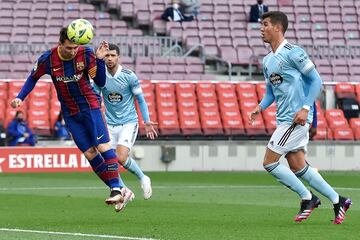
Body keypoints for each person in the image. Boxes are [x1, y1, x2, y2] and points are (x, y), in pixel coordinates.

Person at [248, 11, 351, 224]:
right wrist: (260, 107)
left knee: (269, 162)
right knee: (297, 166)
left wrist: (305, 108)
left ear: (277, 27)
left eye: (265, 24)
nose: (261, 29)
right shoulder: (267, 61)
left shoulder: (293, 52)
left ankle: (308, 197)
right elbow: (270, 92)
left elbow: (316, 81)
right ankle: (338, 199)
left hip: (296, 120)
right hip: (284, 118)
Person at [10, 27, 129, 209]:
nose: (73, 51)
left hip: (90, 106)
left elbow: (101, 83)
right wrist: (20, 97)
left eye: (75, 48)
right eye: (69, 48)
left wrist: (98, 60)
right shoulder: (48, 59)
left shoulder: (86, 53)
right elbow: (32, 77)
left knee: (102, 146)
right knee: (89, 153)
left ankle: (115, 188)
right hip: (69, 112)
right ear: (61, 44)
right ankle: (121, 189)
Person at [94, 43, 157, 212]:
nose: (109, 58)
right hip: (110, 124)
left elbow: (141, 100)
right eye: (107, 56)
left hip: (129, 122)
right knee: (109, 161)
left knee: (120, 158)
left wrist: (147, 120)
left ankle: (143, 178)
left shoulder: (129, 76)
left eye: (113, 55)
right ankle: (123, 191)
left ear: (118, 57)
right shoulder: (99, 76)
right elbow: (94, 98)